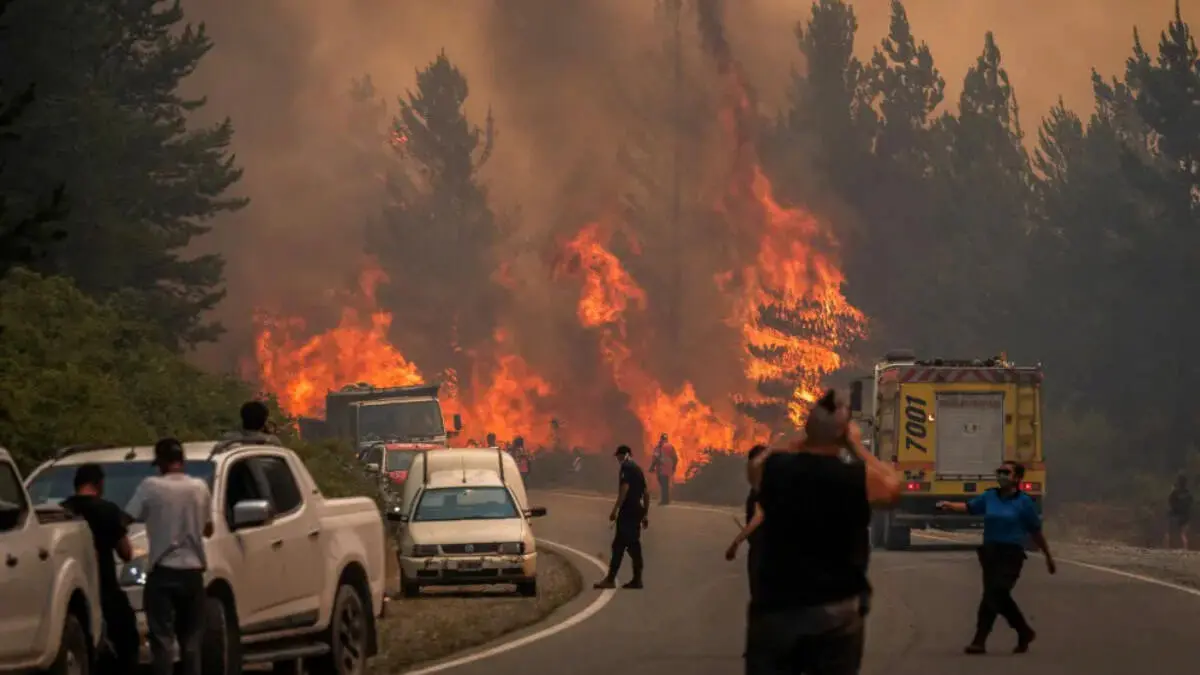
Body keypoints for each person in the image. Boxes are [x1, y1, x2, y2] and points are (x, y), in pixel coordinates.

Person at [744, 389, 902, 675]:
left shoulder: (777, 470)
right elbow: (892, 487)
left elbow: (755, 467)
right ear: (843, 433)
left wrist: (798, 440)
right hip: (835, 610)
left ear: (807, 429)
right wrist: (857, 446)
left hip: (776, 606)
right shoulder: (855, 478)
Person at [937, 461, 1056, 654]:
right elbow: (969, 507)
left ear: (1017, 478)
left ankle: (1018, 631)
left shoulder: (1024, 502)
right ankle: (988, 639)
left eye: (1006, 472)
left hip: (1012, 554)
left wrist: (1048, 556)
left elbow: (1035, 531)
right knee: (992, 596)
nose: (1001, 475)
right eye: (999, 472)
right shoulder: (990, 496)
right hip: (991, 553)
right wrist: (949, 505)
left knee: (998, 592)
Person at [125, 438, 214, 675]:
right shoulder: (200, 487)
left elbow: (127, 518)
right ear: (182, 461)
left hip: (163, 571)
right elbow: (209, 529)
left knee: (162, 640)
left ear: (162, 463)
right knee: (192, 641)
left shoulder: (150, 486)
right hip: (193, 572)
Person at [61, 464, 138, 675]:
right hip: (106, 589)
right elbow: (126, 553)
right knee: (126, 645)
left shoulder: (63, 512)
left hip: (73, 595)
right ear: (99, 484)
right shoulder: (108, 510)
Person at [594, 445, 649, 590]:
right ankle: (637, 580)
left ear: (625, 455)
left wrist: (615, 510)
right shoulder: (638, 469)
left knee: (618, 546)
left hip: (628, 512)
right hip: (637, 510)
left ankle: (610, 580)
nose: (617, 459)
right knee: (633, 546)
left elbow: (624, 489)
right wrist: (645, 514)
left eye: (618, 456)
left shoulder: (626, 467)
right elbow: (646, 492)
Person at [725, 444, 768, 598]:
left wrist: (736, 542)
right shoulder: (769, 484)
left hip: (763, 549)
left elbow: (758, 517)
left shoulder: (763, 487)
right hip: (766, 548)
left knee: (760, 594)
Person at [648, 433, 679, 506]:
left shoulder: (659, 447)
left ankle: (664, 500)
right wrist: (674, 467)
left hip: (661, 469)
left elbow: (656, 458)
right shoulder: (670, 447)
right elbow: (675, 458)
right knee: (665, 484)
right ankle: (666, 499)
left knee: (663, 484)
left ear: (661, 439)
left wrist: (652, 467)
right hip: (668, 469)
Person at [1166, 475, 1192, 550]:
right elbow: (1190, 504)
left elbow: (1171, 502)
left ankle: (1169, 548)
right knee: (1183, 534)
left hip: (1176, 515)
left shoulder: (1175, 492)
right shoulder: (1187, 493)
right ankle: (1184, 548)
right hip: (1184, 515)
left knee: (1171, 532)